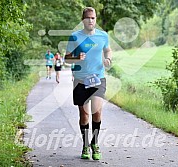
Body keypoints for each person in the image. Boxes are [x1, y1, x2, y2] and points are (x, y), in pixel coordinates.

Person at [65, 7, 112, 160]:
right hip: (80, 79)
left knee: (97, 112)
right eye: (88, 18)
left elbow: (108, 50)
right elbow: (67, 59)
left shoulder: (102, 36)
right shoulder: (74, 37)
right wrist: (76, 58)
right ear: (83, 20)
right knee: (84, 115)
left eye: (93, 18)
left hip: (98, 78)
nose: (91, 20)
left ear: (95, 19)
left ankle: (95, 143)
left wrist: (108, 59)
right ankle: (85, 144)